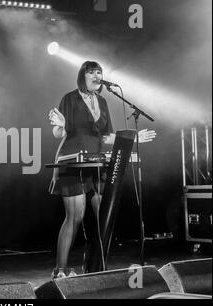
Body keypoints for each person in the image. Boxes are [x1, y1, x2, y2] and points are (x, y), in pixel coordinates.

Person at [48, 61, 156, 279]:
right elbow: (58, 133)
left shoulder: (103, 101)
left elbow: (106, 136)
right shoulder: (70, 98)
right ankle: (60, 270)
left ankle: (94, 267)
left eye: (99, 72)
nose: (97, 76)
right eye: (91, 73)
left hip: (96, 162)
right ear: (82, 76)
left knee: (102, 215)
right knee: (75, 216)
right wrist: (59, 125)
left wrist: (133, 138)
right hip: (72, 161)